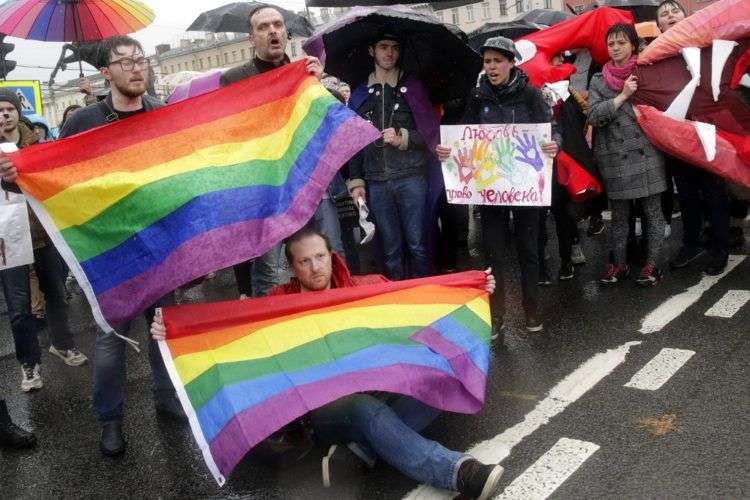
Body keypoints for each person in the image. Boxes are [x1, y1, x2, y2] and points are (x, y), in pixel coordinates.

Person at [152, 226, 503, 499]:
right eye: (304, 261)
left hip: (383, 389)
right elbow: (226, 338)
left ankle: (358, 452)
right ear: (291, 267)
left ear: (331, 255)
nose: (315, 267)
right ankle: (458, 472)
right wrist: (171, 330)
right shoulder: (276, 304)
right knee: (364, 410)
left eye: (320, 257)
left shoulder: (364, 287)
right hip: (324, 409)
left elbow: (416, 306)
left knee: (438, 382)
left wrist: (472, 287)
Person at [51, 35, 185, 457]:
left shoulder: (164, 115)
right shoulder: (84, 122)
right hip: (110, 254)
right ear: (105, 73)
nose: (135, 67)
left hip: (161, 247)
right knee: (110, 343)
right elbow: (53, 173)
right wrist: (9, 173)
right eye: (123, 61)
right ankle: (109, 420)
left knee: (163, 331)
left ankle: (167, 399)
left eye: (139, 59)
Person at [436, 37, 560, 333]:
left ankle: (531, 311)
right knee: (494, 254)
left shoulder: (531, 95)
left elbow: (552, 130)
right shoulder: (477, 97)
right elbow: (465, 135)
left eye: (497, 61)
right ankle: (497, 315)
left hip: (526, 190)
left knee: (529, 250)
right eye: (487, 61)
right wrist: (448, 150)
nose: (491, 67)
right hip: (491, 191)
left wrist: (556, 144)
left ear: (511, 62)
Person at [220, 4, 331, 298]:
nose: (273, 31)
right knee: (267, 271)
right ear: (251, 38)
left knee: (310, 262)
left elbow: (325, 125)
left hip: (302, 186)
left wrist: (317, 86)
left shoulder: (306, 72)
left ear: (286, 32)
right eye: (263, 27)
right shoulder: (234, 79)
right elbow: (230, 135)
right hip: (262, 193)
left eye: (278, 25)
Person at [0, 89, 87, 394]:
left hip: (42, 233)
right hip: (7, 243)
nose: (5, 114)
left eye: (10, 108)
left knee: (56, 294)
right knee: (20, 307)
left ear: (17, 113)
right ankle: (29, 364)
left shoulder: (36, 143)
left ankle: (63, 345)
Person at [347, 34, 433, 281]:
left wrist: (403, 138)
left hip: (411, 178)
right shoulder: (360, 92)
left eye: (395, 48)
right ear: (371, 50)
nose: (389, 53)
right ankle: (398, 303)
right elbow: (354, 142)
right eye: (383, 47)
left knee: (417, 244)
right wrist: (357, 182)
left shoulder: (413, 86)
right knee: (390, 249)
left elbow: (430, 135)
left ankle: (425, 296)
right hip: (377, 182)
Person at [588, 23, 668, 287]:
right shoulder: (599, 80)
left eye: (621, 42)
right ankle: (618, 264)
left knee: (652, 212)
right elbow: (594, 115)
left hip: (647, 153)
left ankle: (652, 265)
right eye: (611, 44)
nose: (615, 48)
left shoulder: (646, 71)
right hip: (614, 156)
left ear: (633, 45)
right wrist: (622, 96)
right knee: (619, 216)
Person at [654, 0, 730, 275]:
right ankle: (691, 242)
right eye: (664, 13)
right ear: (659, 25)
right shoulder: (655, 54)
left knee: (713, 191)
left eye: (675, 10)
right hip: (673, 134)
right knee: (685, 193)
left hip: (706, 129)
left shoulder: (704, 44)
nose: (670, 15)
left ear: (686, 17)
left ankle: (721, 247)